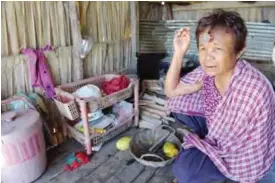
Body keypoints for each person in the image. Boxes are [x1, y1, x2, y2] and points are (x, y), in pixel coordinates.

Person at [165, 9, 275, 183]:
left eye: (217, 49)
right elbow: (171, 91)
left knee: (186, 170)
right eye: (203, 48)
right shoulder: (208, 72)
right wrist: (179, 52)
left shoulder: (254, 91)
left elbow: (253, 145)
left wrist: (211, 147)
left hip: (241, 151)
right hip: (217, 130)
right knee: (179, 108)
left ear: (239, 52)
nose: (208, 57)